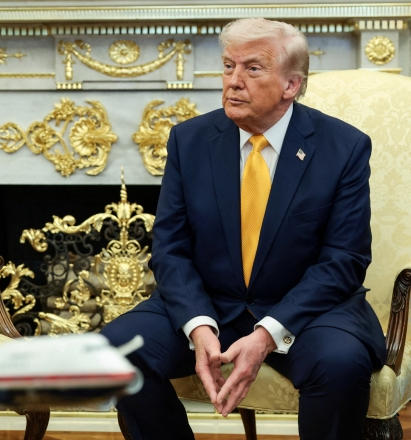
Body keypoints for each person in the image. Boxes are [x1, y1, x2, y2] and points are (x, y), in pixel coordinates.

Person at [101, 18, 386, 439]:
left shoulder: (343, 147)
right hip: (212, 303)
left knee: (340, 363)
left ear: (291, 85)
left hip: (308, 311)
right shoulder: (189, 140)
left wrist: (268, 332)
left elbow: (345, 259)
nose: (233, 81)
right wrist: (198, 324)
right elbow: (170, 248)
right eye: (228, 66)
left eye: (252, 69)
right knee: (114, 351)